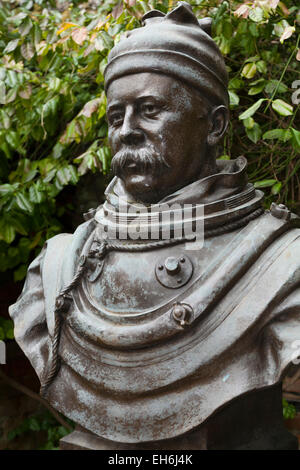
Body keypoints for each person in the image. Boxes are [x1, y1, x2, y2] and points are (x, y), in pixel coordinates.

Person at [9, 3, 300, 449]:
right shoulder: (56, 267)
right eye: (115, 116)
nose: (126, 130)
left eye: (149, 109)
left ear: (215, 124)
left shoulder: (282, 264)